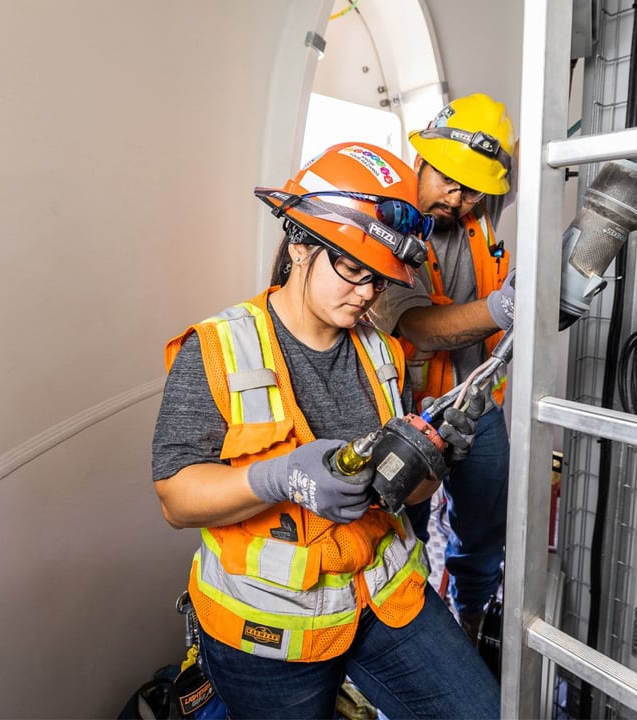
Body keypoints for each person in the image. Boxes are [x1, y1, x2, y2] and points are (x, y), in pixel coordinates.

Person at [151, 142, 500, 719]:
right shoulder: (216, 350)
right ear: (299, 243)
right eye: (351, 269)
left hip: (383, 599)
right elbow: (175, 500)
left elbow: (404, 494)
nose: (366, 292)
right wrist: (277, 477)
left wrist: (433, 460)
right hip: (270, 628)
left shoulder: (382, 353)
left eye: (380, 280)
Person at [368, 94, 518, 643]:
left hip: (479, 407)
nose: (456, 198)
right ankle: (415, 644)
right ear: (422, 160)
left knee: (482, 533)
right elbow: (418, 326)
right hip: (411, 416)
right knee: (403, 538)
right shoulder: (391, 225)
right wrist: (503, 308)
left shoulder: (478, 210)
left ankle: (472, 619)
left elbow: (515, 161)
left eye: (471, 186)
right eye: (448, 180)